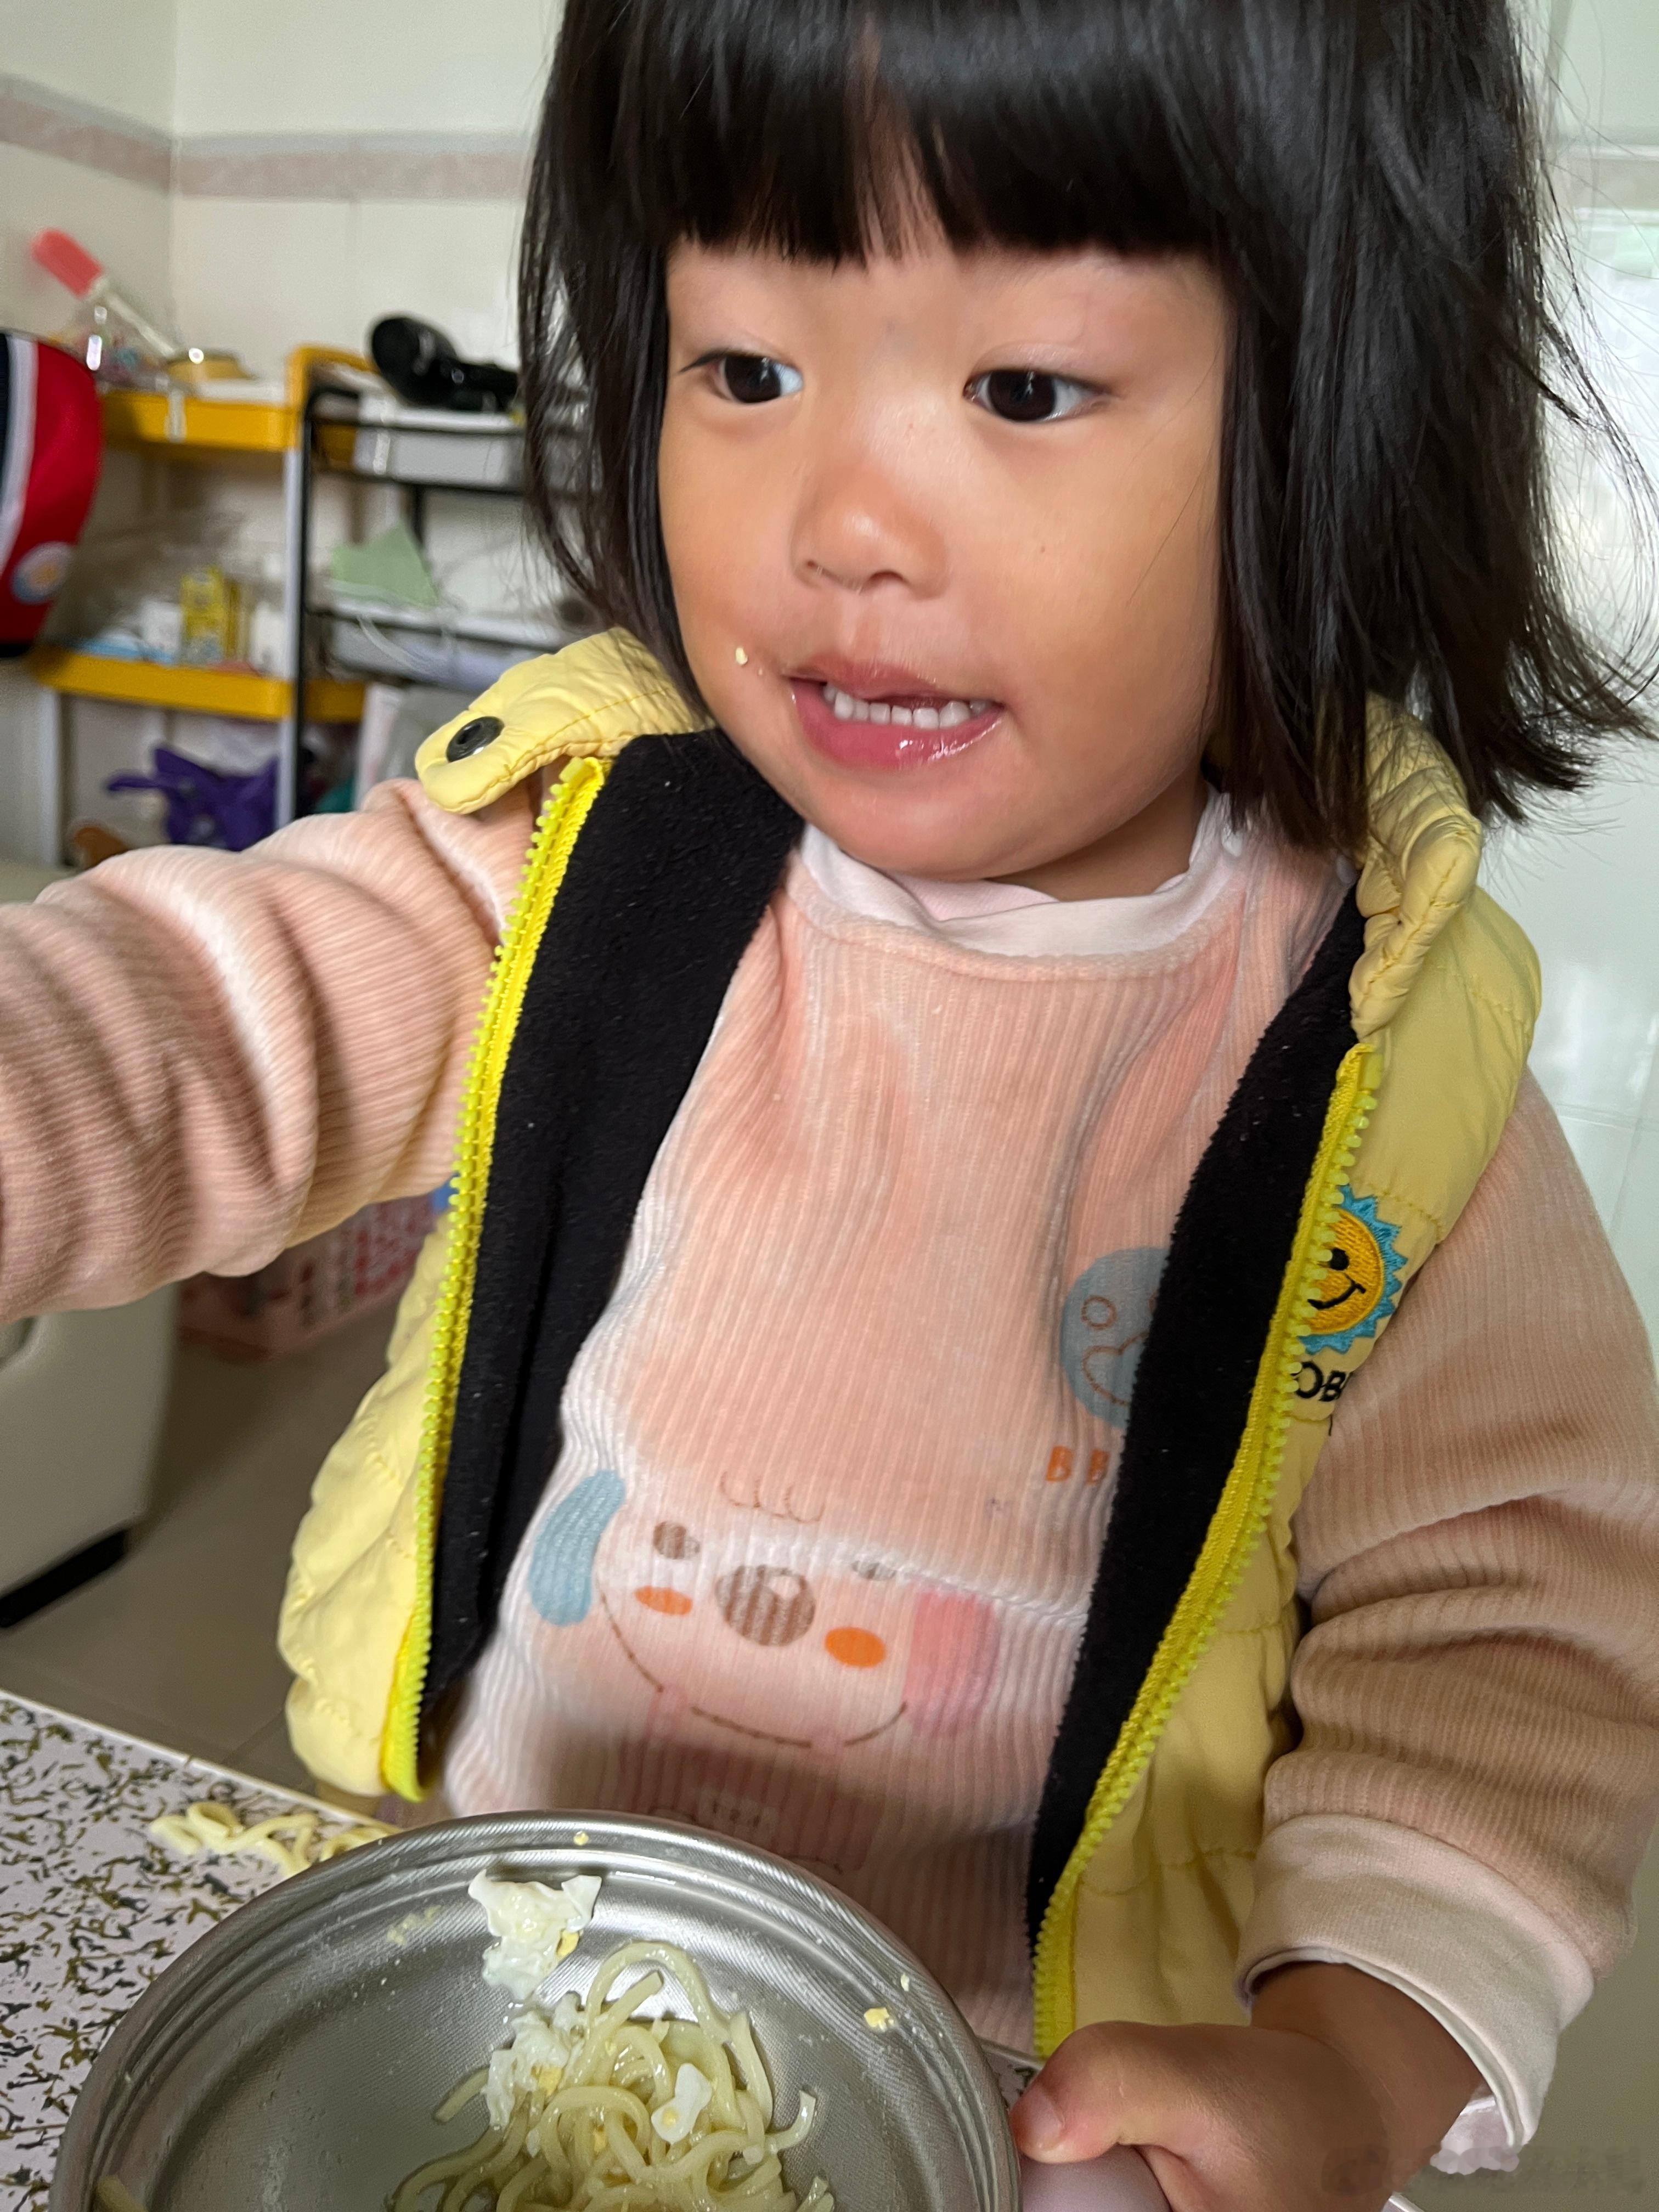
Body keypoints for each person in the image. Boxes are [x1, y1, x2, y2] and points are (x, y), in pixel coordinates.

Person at [3, 0, 1657, 2203]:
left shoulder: (1379, 1066)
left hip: (1036, 2098)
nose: (843, 522)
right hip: (512, 1973)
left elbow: (1513, 1629)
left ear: (1338, 420)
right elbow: (207, 1018)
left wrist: (1348, 2061)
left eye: (1025, 387)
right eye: (746, 368)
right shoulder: (579, 858)